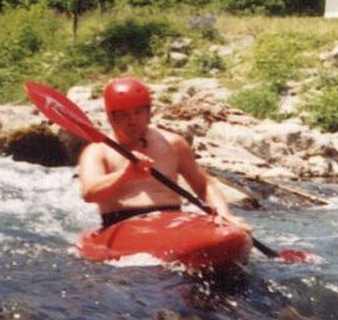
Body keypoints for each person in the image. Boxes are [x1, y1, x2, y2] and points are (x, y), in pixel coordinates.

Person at [77, 76, 248, 231]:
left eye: (138, 112)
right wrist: (125, 175)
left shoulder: (173, 143)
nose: (133, 121)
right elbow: (90, 193)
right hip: (121, 223)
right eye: (124, 115)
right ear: (111, 117)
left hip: (173, 221)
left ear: (148, 112)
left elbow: (204, 184)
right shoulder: (97, 152)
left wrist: (224, 213)